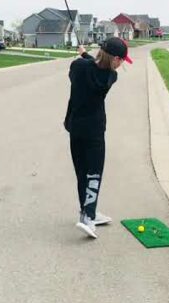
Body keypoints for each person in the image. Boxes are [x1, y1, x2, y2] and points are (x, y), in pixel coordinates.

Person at [64, 37, 133, 238]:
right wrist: (86, 55)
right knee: (93, 173)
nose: (121, 65)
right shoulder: (110, 77)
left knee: (81, 172)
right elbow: (96, 67)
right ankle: (88, 218)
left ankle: (87, 211)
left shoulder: (77, 67)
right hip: (94, 131)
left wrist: (84, 54)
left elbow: (86, 65)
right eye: (122, 61)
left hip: (75, 128)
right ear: (115, 60)